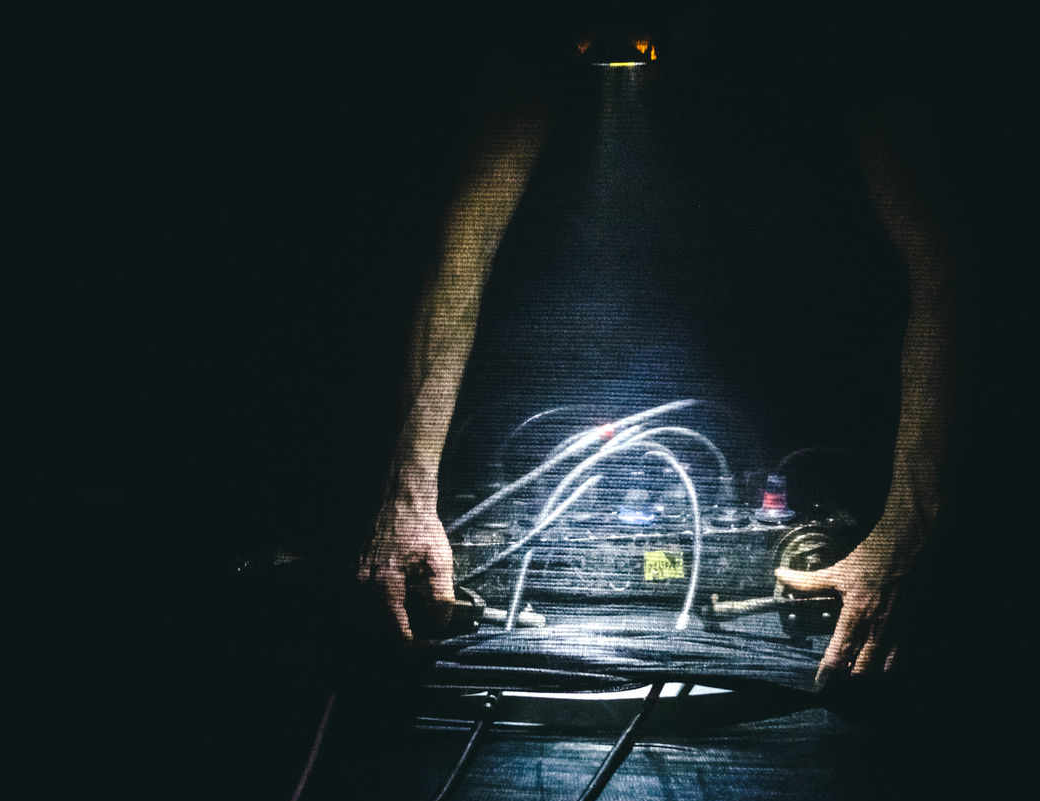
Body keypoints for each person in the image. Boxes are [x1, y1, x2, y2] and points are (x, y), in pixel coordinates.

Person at [357, 37, 958, 690]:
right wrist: (403, 500)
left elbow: (953, 268)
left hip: (825, 397)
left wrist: (913, 529)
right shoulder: (534, 41)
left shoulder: (853, 43)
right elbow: (457, 249)